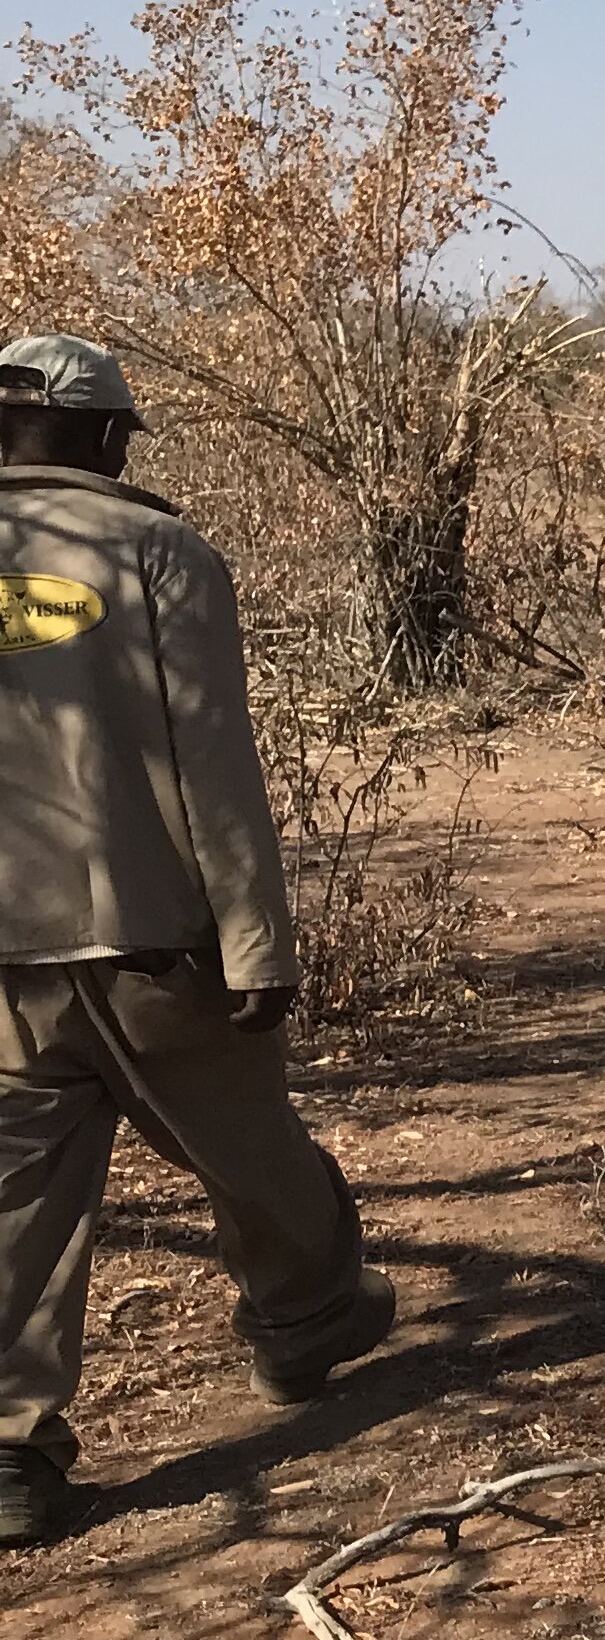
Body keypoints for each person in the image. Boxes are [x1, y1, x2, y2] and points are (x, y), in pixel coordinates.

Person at [0, 334, 395, 1552]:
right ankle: (307, 1319)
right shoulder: (159, 551)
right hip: (153, 944)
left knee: (13, 1206)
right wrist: (257, 945)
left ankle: (10, 1458)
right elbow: (212, 767)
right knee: (256, 1155)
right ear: (106, 435)